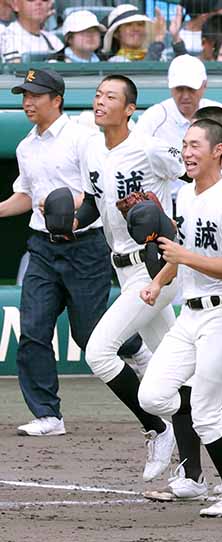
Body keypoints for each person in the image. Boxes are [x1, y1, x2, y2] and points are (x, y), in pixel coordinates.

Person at [148, 105, 222, 500]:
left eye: (195, 144)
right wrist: (158, 281)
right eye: (184, 144)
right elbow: (179, 251)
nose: (187, 151)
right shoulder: (183, 194)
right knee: (152, 395)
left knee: (203, 413)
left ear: (218, 149)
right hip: (191, 313)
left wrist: (182, 259)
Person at [65, 75, 184, 480]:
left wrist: (178, 226)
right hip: (122, 265)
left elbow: (197, 173)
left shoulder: (149, 149)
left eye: (110, 97)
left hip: (157, 267)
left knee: (99, 352)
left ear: (130, 108)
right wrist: (70, 223)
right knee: (180, 371)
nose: (100, 102)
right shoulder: (90, 149)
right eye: (97, 95)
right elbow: (96, 206)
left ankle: (157, 427)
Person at [0, 69, 106, 436]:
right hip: (42, 246)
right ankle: (48, 414)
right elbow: (27, 194)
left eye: (35, 95)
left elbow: (99, 190)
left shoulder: (83, 137)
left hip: (86, 246)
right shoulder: (25, 146)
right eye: (23, 96)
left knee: (90, 336)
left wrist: (69, 202)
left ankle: (137, 352)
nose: (27, 102)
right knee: (32, 329)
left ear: (56, 99)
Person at [101, 4, 167, 62]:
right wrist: (158, 41)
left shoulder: (160, 56)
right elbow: (142, 73)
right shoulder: (115, 62)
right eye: (128, 24)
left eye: (140, 24)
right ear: (116, 33)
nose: (136, 29)